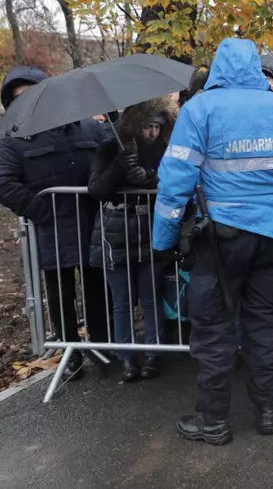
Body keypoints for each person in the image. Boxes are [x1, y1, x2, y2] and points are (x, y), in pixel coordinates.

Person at [152, 38, 273, 444]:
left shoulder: (200, 108)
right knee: (263, 323)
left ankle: (213, 421)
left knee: (213, 329)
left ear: (218, 68)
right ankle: (268, 412)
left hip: (221, 237)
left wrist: (163, 240)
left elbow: (175, 182)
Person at [0, 66, 109, 381]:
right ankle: (70, 352)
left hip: (93, 224)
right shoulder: (12, 140)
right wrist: (43, 212)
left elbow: (111, 160)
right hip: (52, 231)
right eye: (18, 97)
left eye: (32, 93)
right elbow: (5, 183)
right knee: (61, 294)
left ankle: (103, 345)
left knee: (98, 288)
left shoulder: (87, 127)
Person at [88, 97, 175, 381]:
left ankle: (154, 353)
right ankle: (126, 356)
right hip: (116, 231)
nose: (152, 133)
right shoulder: (111, 146)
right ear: (135, 125)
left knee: (151, 296)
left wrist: (149, 178)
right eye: (147, 127)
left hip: (151, 228)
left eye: (157, 127)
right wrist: (119, 166)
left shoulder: (166, 148)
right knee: (122, 301)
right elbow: (96, 188)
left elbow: (174, 181)